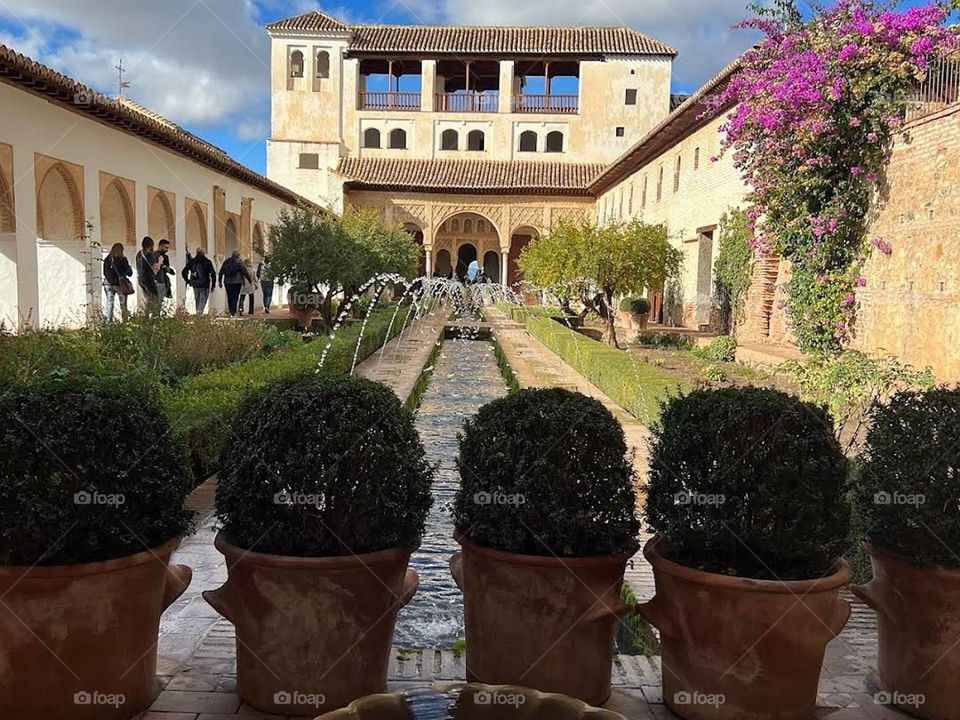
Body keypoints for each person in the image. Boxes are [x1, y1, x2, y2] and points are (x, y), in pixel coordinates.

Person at [102, 243, 133, 323]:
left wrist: (111, 280)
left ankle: (109, 323)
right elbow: (130, 273)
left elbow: (105, 273)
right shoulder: (123, 259)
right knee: (123, 304)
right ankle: (125, 322)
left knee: (109, 304)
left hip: (108, 283)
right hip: (120, 285)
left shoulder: (107, 259)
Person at [182, 246, 216, 315]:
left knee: (197, 299)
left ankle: (198, 312)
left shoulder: (192, 261)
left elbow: (183, 272)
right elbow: (213, 274)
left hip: (195, 284)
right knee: (203, 299)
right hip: (204, 284)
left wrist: (188, 281)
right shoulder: (207, 262)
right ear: (204, 253)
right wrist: (213, 285)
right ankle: (199, 314)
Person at [218, 250, 253, 317]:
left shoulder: (226, 261)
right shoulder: (239, 262)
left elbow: (221, 271)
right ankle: (233, 312)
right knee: (235, 297)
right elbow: (244, 271)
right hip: (237, 282)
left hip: (227, 282)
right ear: (238, 255)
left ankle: (231, 311)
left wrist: (220, 281)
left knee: (229, 297)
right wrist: (249, 280)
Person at [135, 236, 160, 315]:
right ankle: (154, 317)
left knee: (147, 298)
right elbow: (155, 267)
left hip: (140, 278)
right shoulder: (149, 254)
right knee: (155, 298)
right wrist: (160, 261)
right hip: (148, 278)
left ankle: (146, 316)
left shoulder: (139, 254)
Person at [155, 239, 175, 311]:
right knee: (157, 301)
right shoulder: (154, 255)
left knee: (159, 301)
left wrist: (167, 269)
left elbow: (168, 269)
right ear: (160, 246)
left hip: (162, 280)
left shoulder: (166, 257)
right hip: (159, 280)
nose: (167, 250)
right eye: (166, 247)